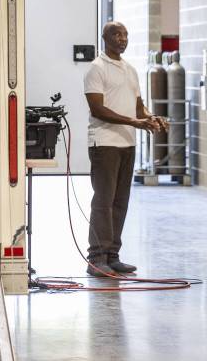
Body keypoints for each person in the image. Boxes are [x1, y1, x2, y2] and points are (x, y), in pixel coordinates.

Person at [83, 21, 168, 277]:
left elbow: (138, 106)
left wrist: (151, 117)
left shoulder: (130, 70)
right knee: (103, 202)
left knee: (120, 202)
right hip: (105, 143)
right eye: (117, 34)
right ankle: (96, 258)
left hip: (127, 143)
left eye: (126, 35)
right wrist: (134, 121)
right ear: (105, 37)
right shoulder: (96, 69)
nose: (123, 39)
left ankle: (112, 255)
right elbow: (97, 108)